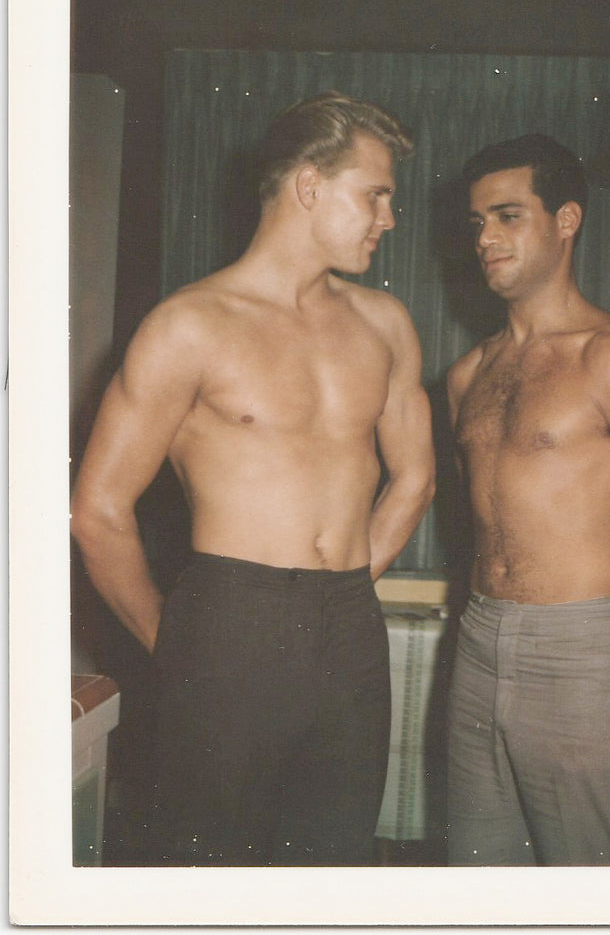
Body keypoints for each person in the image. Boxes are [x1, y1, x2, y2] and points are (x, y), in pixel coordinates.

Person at [70, 91, 436, 866]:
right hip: (228, 621)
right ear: (310, 186)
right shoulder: (190, 324)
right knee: (209, 869)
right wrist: (172, 639)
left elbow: (415, 481)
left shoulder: (384, 325)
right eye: (376, 194)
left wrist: (338, 587)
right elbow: (99, 507)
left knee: (333, 867)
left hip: (348, 625)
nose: (389, 218)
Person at [445, 133, 610, 866]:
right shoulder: (469, 373)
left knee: (597, 889)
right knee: (477, 885)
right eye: (476, 223)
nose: (486, 239)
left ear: (566, 220)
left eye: (507, 216)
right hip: (476, 639)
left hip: (583, 650)